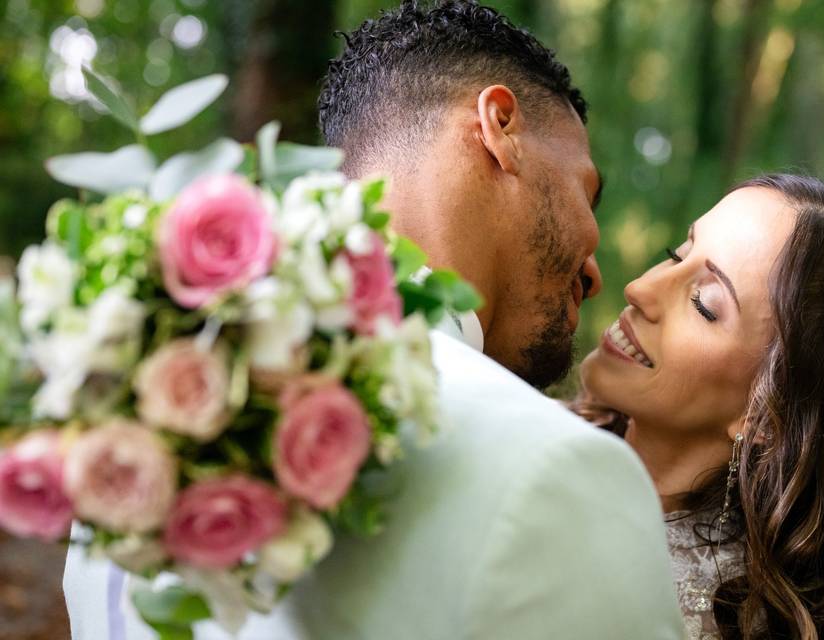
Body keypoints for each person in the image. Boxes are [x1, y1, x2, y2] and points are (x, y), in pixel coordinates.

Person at [63, 2, 685, 639]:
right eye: (587, 192)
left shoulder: (134, 405)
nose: (597, 272)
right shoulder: (555, 472)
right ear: (500, 125)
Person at [577, 174, 824, 639]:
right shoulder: (521, 435)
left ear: (766, 415)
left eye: (704, 303)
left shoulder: (788, 629)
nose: (640, 289)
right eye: (676, 254)